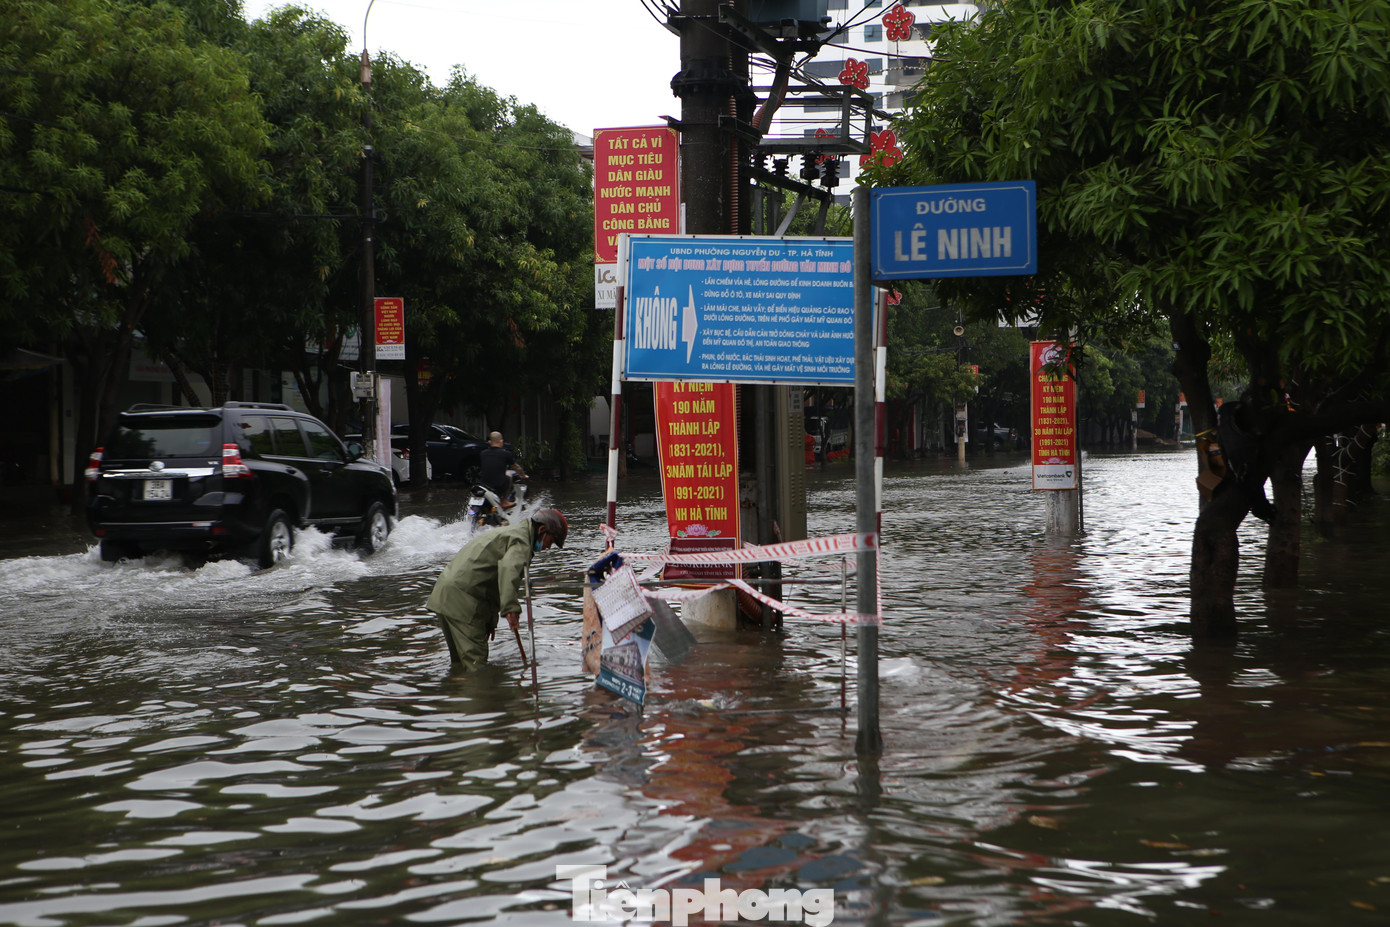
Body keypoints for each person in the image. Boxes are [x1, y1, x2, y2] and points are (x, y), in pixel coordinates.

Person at [426, 508, 568, 670]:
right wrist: (511, 609)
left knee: (459, 664)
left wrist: (491, 622)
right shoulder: (522, 542)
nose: (548, 547)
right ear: (542, 530)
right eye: (551, 541)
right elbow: (507, 571)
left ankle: (457, 691)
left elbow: (493, 583)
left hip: (445, 596)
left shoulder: (511, 533)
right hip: (463, 602)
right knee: (476, 667)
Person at [478, 431, 527, 508]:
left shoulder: (482, 453)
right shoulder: (506, 454)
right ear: (501, 441)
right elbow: (516, 467)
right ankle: (504, 501)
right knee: (509, 475)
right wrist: (523, 475)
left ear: (490, 442)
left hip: (484, 484)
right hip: (498, 486)